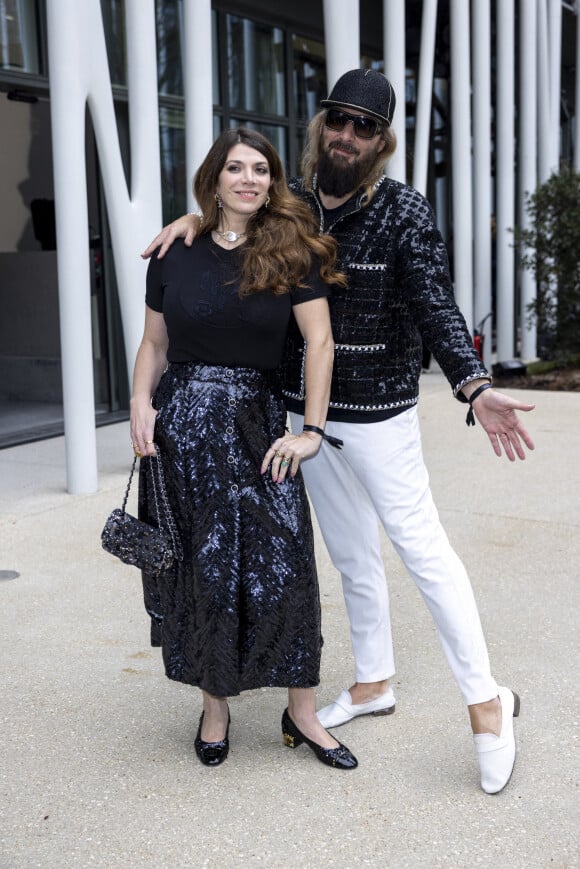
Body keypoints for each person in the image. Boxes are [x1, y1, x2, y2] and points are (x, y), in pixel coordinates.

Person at [142, 69, 535, 794]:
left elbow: (435, 306)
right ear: (322, 125)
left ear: (381, 142)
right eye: (339, 120)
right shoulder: (287, 203)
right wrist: (189, 224)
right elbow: (225, 226)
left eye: (365, 126)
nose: (347, 135)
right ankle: (374, 679)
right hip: (297, 418)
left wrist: (473, 384)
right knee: (352, 556)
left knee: (423, 552)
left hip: (380, 416)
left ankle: (487, 701)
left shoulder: (403, 212)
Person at [131, 126, 358, 770]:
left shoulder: (292, 250)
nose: (249, 179)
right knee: (203, 571)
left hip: (259, 428)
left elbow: (320, 343)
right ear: (214, 178)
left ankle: (303, 712)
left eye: (261, 169)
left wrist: (311, 431)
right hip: (182, 433)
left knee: (286, 567)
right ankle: (215, 706)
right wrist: (140, 402)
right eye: (236, 168)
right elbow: (154, 345)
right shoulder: (176, 251)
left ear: (273, 180)